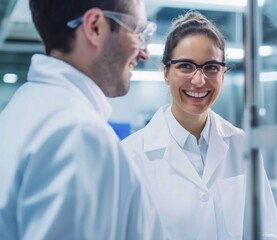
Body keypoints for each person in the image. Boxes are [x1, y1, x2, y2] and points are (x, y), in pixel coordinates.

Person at [0, 0, 160, 239]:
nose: (144, 53)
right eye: (137, 32)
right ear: (95, 27)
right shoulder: (78, 134)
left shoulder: (25, 104)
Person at [121, 11, 277, 239]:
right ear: (166, 72)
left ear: (223, 74)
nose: (199, 80)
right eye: (185, 66)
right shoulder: (131, 155)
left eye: (211, 67)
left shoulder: (241, 144)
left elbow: (265, 230)